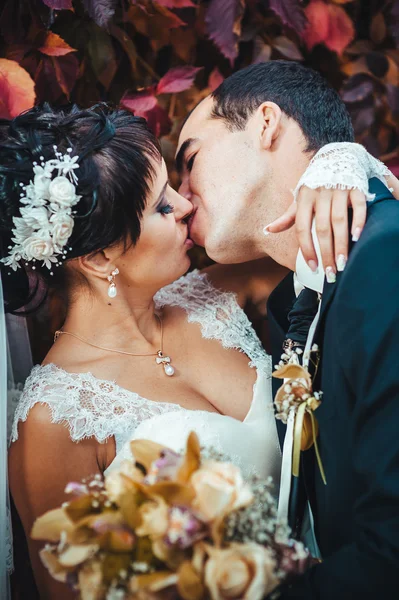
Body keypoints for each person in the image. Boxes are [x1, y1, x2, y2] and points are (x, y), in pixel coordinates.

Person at [1, 102, 390, 598]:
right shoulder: (53, 420)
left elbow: (346, 241)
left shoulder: (222, 292)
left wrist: (342, 163)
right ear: (100, 258)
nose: (186, 205)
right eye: (162, 206)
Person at [176, 60, 399, 598]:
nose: (182, 199)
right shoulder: (291, 301)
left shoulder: (385, 255)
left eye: (191, 161)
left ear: (266, 123)